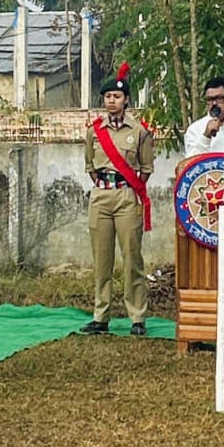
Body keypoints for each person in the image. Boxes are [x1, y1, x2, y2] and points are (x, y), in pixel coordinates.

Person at [80, 63, 154, 336]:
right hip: (101, 196)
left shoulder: (139, 131)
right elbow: (90, 165)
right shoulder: (94, 130)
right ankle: (101, 316)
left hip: (127, 196)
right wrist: (104, 186)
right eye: (108, 96)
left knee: (132, 257)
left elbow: (145, 168)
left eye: (117, 96)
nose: (112, 101)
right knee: (102, 260)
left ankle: (137, 318)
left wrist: (128, 187)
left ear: (126, 100)